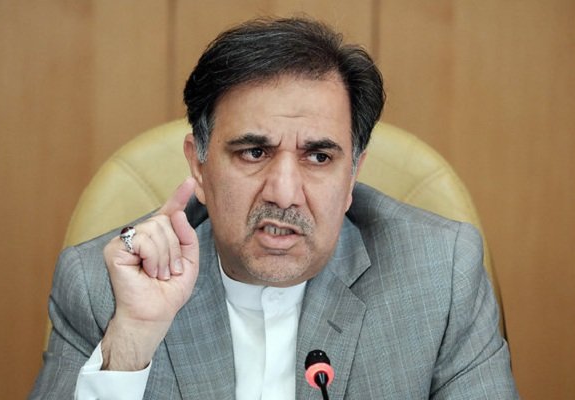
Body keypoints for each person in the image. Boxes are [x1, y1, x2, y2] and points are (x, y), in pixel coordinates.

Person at [30, 17, 519, 399]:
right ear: (198, 165)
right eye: (254, 152)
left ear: (352, 175)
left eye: (319, 157)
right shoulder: (104, 287)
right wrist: (131, 342)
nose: (284, 194)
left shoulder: (440, 275)